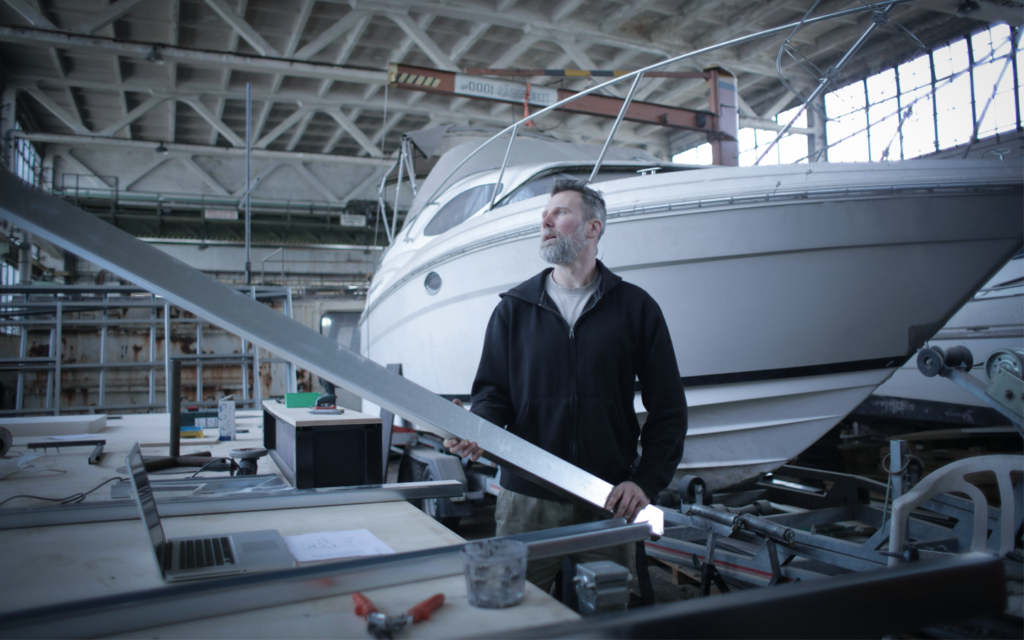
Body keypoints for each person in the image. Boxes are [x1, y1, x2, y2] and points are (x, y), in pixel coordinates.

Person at [445, 179, 687, 592]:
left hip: (606, 497)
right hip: (527, 499)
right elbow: (492, 394)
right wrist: (477, 427)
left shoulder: (636, 308)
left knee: (611, 614)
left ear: (592, 228)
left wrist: (645, 481)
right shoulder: (514, 310)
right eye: (545, 215)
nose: (546, 221)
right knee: (517, 612)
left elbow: (668, 407)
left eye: (559, 212)